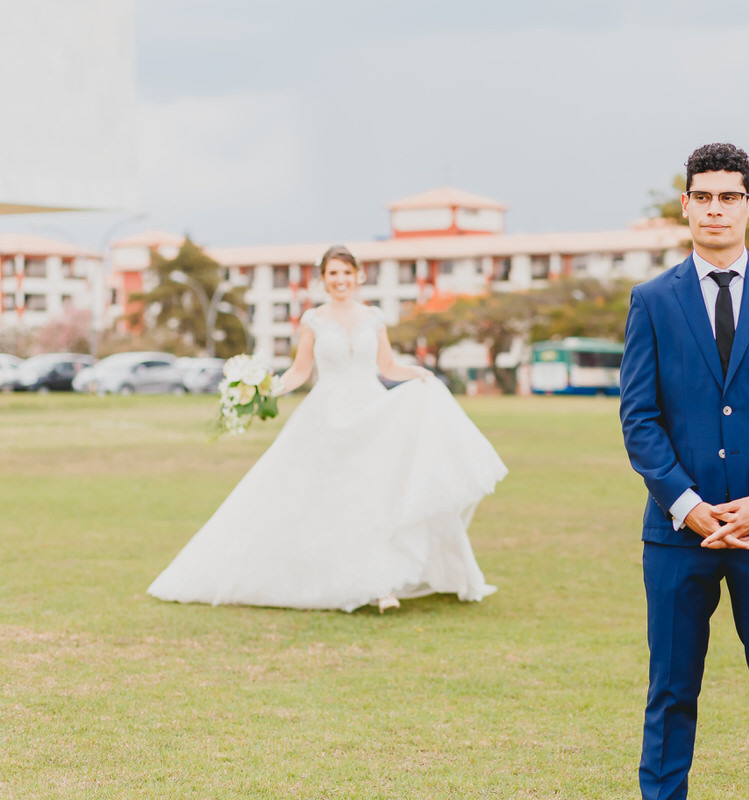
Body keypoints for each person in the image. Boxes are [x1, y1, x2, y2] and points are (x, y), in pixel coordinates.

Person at [619, 143, 749, 799]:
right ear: (685, 206)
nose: (715, 209)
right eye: (702, 197)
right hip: (679, 536)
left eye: (728, 196)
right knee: (671, 695)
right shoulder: (650, 301)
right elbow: (639, 418)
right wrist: (686, 502)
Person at [148, 245, 506, 613]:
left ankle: (383, 585)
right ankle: (338, 580)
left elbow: (387, 367)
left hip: (372, 413)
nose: (340, 281)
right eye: (333, 274)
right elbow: (300, 372)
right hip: (327, 415)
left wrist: (416, 374)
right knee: (333, 499)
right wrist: (261, 388)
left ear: (358, 276)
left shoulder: (373, 318)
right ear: (323, 279)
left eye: (346, 273)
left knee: (377, 495)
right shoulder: (313, 320)